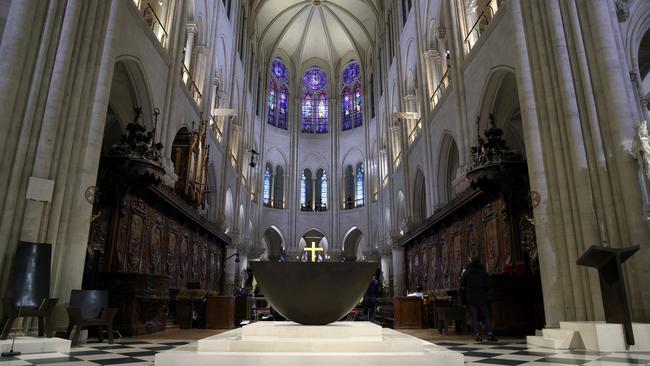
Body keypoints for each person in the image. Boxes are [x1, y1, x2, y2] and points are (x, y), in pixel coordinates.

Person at [461, 257, 497, 342]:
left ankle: (477, 335)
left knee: (475, 317)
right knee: (486, 316)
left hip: (471, 298)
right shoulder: (483, 272)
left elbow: (462, 284)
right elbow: (489, 285)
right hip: (482, 297)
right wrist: (484, 290)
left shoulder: (467, 272)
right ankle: (490, 334)